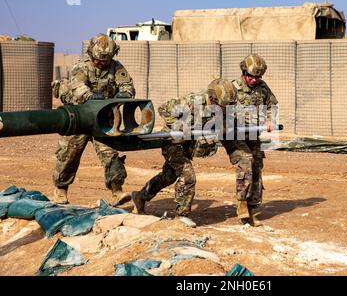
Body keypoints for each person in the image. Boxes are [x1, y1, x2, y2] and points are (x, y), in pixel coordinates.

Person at [131, 78, 238, 225]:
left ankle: (140, 196)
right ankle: (182, 215)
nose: (226, 109)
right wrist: (177, 125)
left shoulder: (222, 107)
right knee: (187, 175)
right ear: (213, 98)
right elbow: (164, 108)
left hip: (189, 144)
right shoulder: (193, 101)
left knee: (168, 176)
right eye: (223, 106)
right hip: (173, 142)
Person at [52, 33, 136, 206]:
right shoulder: (81, 67)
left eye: (106, 60)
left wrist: (123, 95)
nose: (102, 63)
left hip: (103, 121)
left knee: (111, 155)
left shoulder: (116, 67)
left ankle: (116, 191)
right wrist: (91, 97)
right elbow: (77, 87)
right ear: (91, 55)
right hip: (80, 119)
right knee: (69, 155)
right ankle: (61, 189)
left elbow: (128, 87)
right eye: (98, 60)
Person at [221, 54, 279, 226]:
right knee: (246, 161)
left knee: (257, 165)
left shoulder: (263, 88)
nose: (254, 80)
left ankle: (253, 208)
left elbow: (272, 105)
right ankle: (242, 205)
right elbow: (219, 107)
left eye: (258, 77)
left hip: (252, 134)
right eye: (251, 76)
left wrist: (271, 119)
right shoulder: (232, 88)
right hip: (234, 135)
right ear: (244, 72)